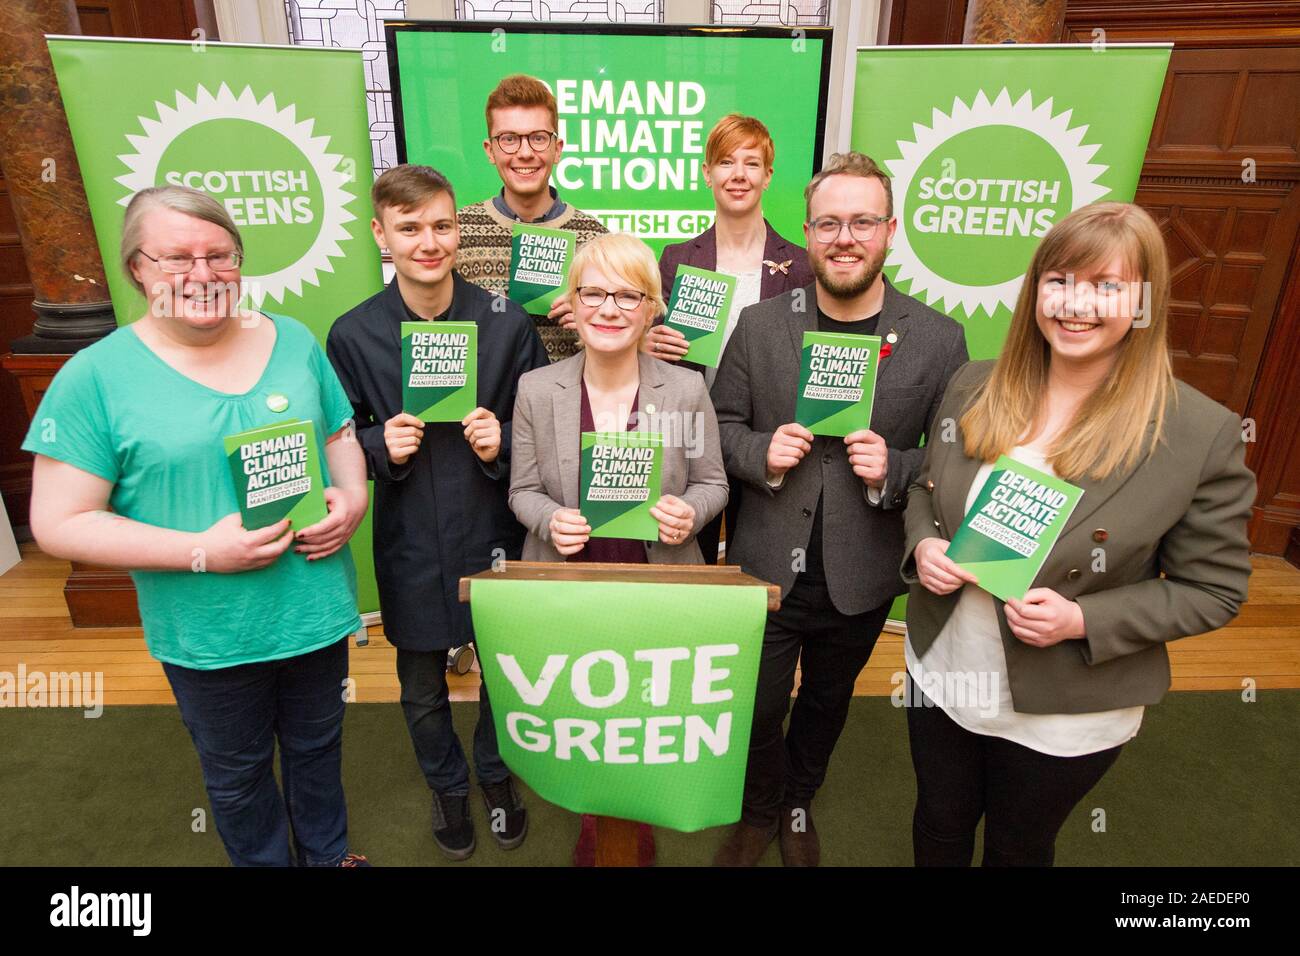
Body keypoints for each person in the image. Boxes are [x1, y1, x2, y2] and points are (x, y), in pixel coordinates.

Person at [24, 185, 370, 866]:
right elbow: (58, 522)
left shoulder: (293, 341)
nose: (204, 275)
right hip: (209, 629)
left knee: (318, 749)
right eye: (178, 258)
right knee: (238, 775)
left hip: (314, 608)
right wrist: (201, 551)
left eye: (221, 255)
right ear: (137, 269)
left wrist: (352, 496)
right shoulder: (94, 377)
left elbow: (339, 432)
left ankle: (328, 859)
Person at [901, 201, 1254, 867]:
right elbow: (925, 492)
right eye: (1058, 281)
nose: (1075, 304)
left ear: (1144, 303)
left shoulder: (1196, 433)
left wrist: (1080, 619)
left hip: (1067, 704)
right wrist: (924, 546)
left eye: (1105, 286)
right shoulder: (974, 384)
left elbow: (1215, 590)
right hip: (942, 667)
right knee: (939, 825)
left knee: (1018, 846)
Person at [710, 152, 969, 866]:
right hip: (765, 565)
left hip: (861, 571)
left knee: (826, 703)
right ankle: (760, 804)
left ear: (890, 230)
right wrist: (761, 451)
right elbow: (720, 426)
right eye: (829, 223)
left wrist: (898, 465)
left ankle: (797, 800)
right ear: (808, 231)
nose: (844, 237)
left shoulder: (939, 338)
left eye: (861, 222)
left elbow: (954, 457)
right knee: (758, 707)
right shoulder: (762, 325)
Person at [326, 165, 548, 861]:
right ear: (381, 234)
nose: (429, 241)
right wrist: (374, 441)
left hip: (497, 531)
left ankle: (495, 774)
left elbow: (542, 426)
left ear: (461, 229)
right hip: (410, 537)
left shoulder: (506, 322)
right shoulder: (353, 333)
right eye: (410, 227)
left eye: (443, 226)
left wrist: (503, 438)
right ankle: (447, 785)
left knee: (508, 674)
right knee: (421, 682)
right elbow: (334, 438)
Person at [508, 232, 729, 864]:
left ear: (652, 308)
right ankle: (593, 810)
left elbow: (713, 481)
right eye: (594, 293)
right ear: (571, 306)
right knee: (583, 708)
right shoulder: (535, 389)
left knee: (642, 714)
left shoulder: (684, 390)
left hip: (655, 582)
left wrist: (689, 513)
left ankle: (635, 809)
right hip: (567, 581)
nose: (610, 308)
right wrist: (552, 521)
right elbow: (521, 490)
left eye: (627, 294)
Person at [647, 113, 814, 565]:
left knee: (755, 558)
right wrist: (648, 343)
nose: (738, 175)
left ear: (768, 175)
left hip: (767, 435)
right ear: (707, 173)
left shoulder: (801, 266)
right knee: (687, 557)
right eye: (725, 162)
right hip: (691, 432)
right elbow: (651, 348)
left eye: (751, 163)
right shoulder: (677, 259)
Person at [457, 73, 608, 364]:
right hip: (484, 408)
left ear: (557, 149)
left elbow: (622, 349)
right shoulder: (455, 233)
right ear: (490, 151)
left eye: (538, 138)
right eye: (509, 139)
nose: (525, 153)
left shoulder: (596, 240)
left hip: (567, 406)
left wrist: (597, 327)